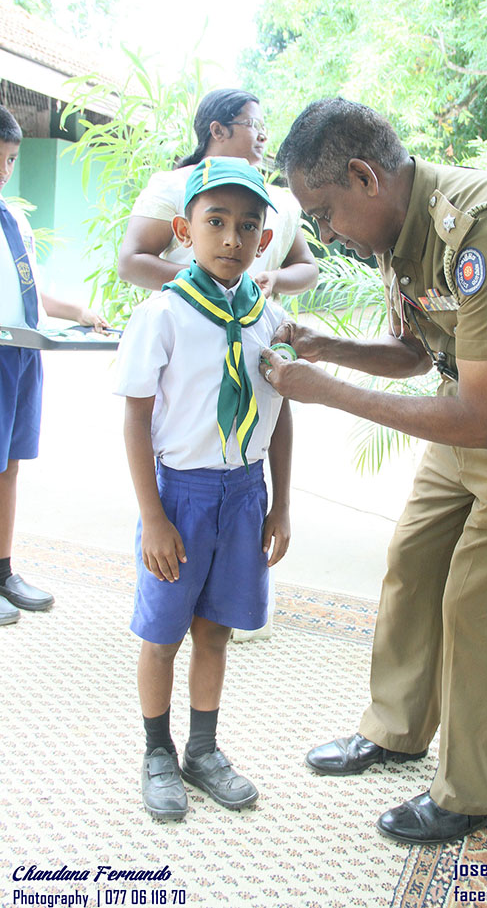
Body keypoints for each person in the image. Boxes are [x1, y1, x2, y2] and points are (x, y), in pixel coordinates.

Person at [259, 97, 487, 845]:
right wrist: (329, 349)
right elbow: (419, 353)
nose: (323, 235)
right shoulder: (399, 228)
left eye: (324, 214)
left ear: (364, 177)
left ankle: (476, 790)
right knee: (414, 560)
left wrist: (328, 393)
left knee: (486, 596)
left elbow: (482, 421)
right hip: (476, 393)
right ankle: (396, 728)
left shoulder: (486, 229)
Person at [114, 157, 292, 820]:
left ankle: (203, 748)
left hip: (245, 494)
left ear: (264, 240)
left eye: (247, 226)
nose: (230, 239)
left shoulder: (268, 319)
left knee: (215, 633)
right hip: (180, 497)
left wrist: (282, 503)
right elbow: (135, 416)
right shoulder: (162, 313)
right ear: (182, 230)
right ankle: (157, 750)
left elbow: (282, 413)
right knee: (162, 635)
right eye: (214, 221)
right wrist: (153, 516)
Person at [0, 105, 107, 627]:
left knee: (10, 463)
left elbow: (33, 291)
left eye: (11, 159)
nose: (4, 170)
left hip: (21, 354)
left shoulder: (15, 219)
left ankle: (4, 570)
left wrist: (82, 312)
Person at [117, 87, 318, 298]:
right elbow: (131, 262)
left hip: (254, 328)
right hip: (183, 324)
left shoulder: (276, 200)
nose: (263, 136)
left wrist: (274, 279)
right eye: (252, 124)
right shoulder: (174, 185)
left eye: (249, 226)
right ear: (218, 130)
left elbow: (307, 268)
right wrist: (210, 283)